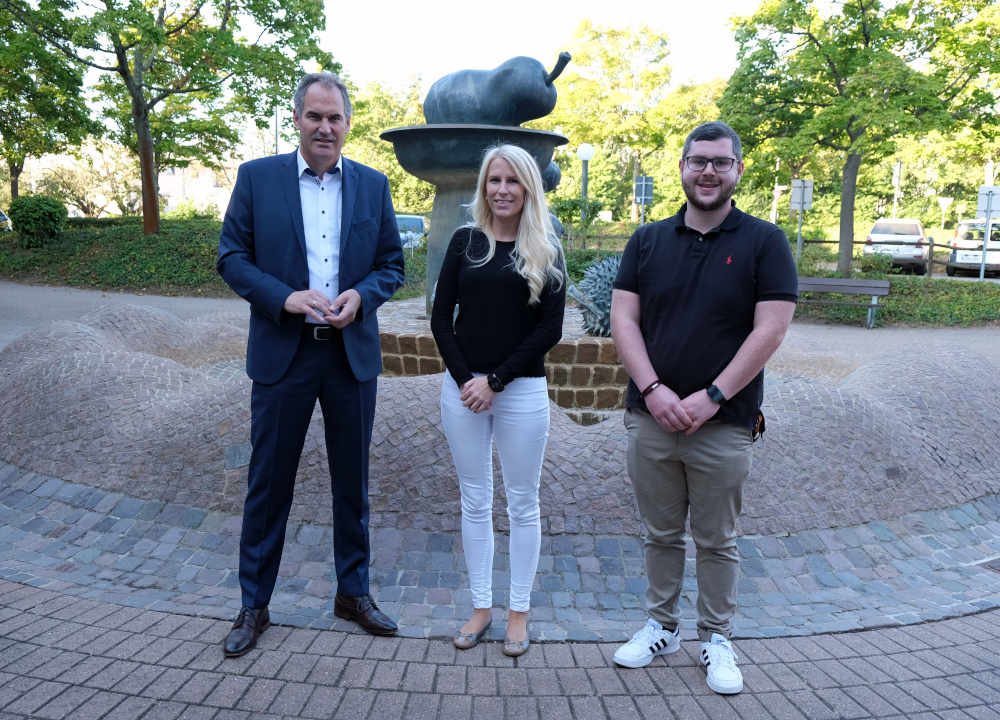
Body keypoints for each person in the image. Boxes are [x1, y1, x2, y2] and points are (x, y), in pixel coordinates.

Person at [217, 72, 405, 658]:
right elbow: (231, 257)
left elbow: (392, 265)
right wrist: (283, 297)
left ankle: (353, 594)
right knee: (268, 484)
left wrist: (363, 296)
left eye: (336, 118)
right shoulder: (257, 178)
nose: (326, 127)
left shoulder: (374, 187)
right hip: (284, 353)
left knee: (354, 484)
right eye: (315, 116)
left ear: (348, 125)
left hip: (350, 358)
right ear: (296, 119)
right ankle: (254, 603)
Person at [609, 121, 797, 694]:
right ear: (683, 169)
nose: (708, 171)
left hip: (725, 424)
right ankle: (661, 626)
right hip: (653, 417)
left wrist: (714, 397)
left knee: (718, 540)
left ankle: (716, 638)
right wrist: (653, 389)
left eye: (720, 161)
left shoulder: (765, 242)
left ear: (739, 170)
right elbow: (623, 319)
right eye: (698, 161)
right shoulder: (647, 241)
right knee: (660, 533)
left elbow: (772, 328)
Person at [430, 144, 566, 657]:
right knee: (474, 499)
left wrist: (496, 381)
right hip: (462, 390)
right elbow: (441, 317)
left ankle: (518, 612)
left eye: (512, 181)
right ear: (484, 187)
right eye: (494, 180)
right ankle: (481, 607)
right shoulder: (466, 241)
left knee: (524, 503)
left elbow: (549, 328)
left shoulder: (547, 247)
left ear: (528, 187)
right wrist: (469, 379)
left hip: (522, 391)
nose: (502, 189)